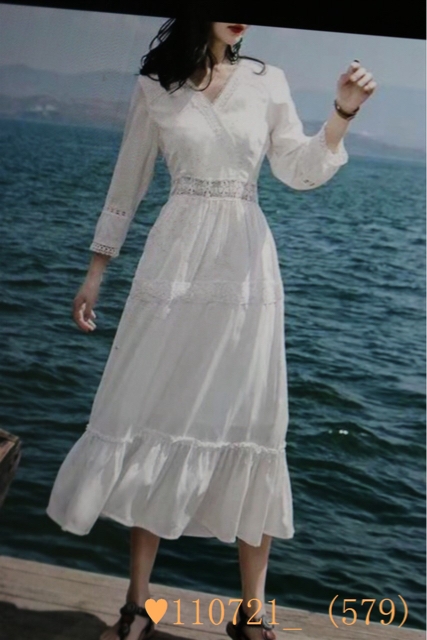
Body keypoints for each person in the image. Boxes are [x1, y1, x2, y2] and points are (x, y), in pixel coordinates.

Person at [46, 19, 376, 640]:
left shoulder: (267, 81)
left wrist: (342, 113)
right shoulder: (156, 87)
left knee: (253, 426)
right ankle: (137, 605)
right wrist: (95, 273)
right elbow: (127, 184)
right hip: (173, 268)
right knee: (155, 416)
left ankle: (252, 614)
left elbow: (298, 169)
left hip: (246, 274)